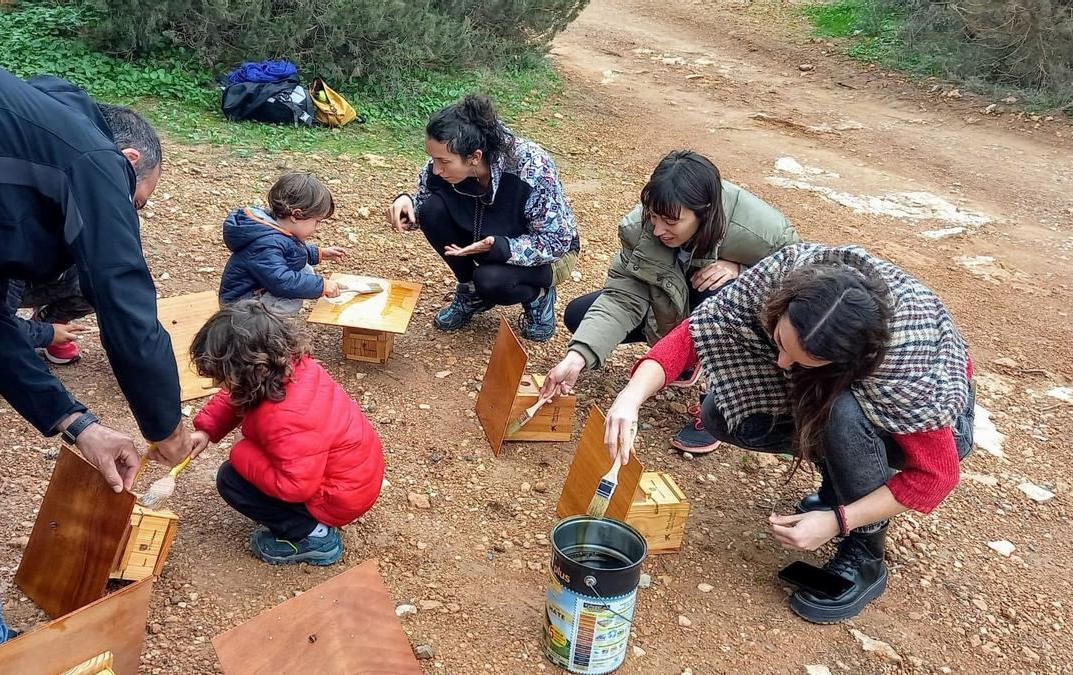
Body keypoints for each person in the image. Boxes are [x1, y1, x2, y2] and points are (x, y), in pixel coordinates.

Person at [0, 38, 192, 672]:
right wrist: (166, 425)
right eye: (140, 204)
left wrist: (79, 424)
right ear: (129, 162)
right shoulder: (93, 158)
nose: (132, 217)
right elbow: (125, 301)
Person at [603, 243, 975, 623]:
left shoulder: (904, 371)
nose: (781, 363)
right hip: (836, 385)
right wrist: (631, 397)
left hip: (931, 423)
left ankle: (866, 553)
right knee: (724, 413)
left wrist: (839, 521)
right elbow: (695, 333)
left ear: (848, 359)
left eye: (802, 359)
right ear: (783, 304)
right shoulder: (784, 275)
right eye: (781, 343)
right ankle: (840, 485)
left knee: (843, 412)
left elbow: (936, 476)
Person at [541, 150, 799, 453]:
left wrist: (742, 270)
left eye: (671, 222)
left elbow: (794, 274)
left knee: (723, 291)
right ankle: (682, 360)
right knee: (579, 315)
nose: (659, 229)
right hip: (675, 300)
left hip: (726, 307)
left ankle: (718, 405)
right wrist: (578, 356)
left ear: (704, 212)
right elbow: (623, 297)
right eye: (653, 216)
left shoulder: (760, 231)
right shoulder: (641, 229)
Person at [187, 300, 384, 566]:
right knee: (247, 467)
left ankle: (316, 537)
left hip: (338, 495)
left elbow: (295, 487)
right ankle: (312, 527)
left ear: (252, 370)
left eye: (222, 377)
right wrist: (207, 429)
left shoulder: (287, 417)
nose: (215, 384)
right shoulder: (284, 367)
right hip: (352, 476)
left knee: (231, 480)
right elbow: (238, 395)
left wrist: (241, 451)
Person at [385, 93, 579, 341]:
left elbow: (556, 241)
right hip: (485, 241)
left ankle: (539, 297)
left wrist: (501, 247)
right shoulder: (447, 161)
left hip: (548, 257)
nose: (435, 169)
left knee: (490, 279)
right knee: (431, 211)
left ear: (474, 157)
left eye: (443, 161)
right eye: (432, 158)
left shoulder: (531, 165)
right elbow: (425, 202)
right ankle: (471, 291)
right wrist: (407, 204)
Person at [218, 171, 349, 314]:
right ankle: (266, 327)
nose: (318, 227)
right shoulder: (266, 244)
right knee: (294, 291)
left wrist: (319, 253)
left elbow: (290, 252)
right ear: (296, 215)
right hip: (241, 308)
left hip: (254, 292)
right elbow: (281, 281)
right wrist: (321, 286)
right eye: (317, 221)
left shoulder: (273, 228)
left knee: (304, 270)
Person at [8, 265, 93, 364]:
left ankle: (49, 322)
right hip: (4, 279)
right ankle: (38, 331)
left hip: (38, 273)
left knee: (96, 284)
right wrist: (47, 333)